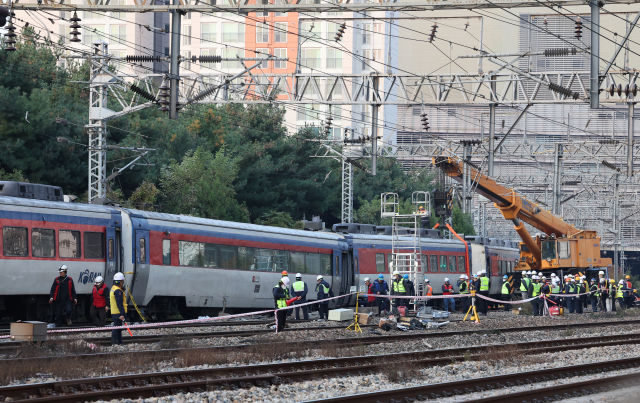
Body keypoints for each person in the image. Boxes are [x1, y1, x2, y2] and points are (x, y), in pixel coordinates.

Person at [110, 272, 128, 345]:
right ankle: (113, 343)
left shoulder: (113, 288)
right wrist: (122, 313)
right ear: (121, 282)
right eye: (122, 281)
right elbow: (119, 303)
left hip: (115, 312)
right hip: (118, 313)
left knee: (118, 329)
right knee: (116, 328)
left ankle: (120, 343)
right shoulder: (118, 291)